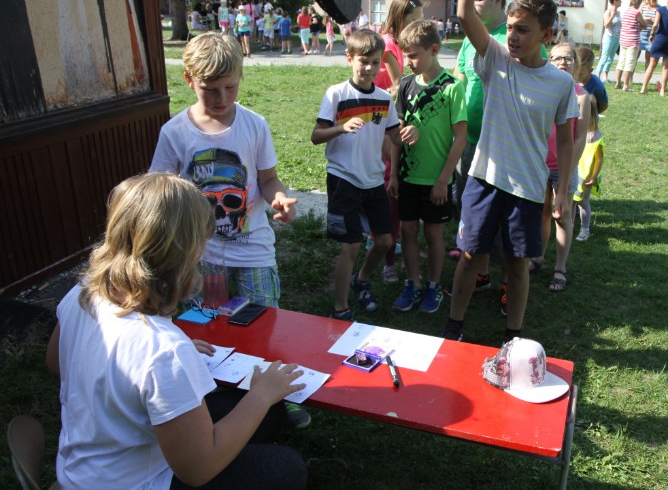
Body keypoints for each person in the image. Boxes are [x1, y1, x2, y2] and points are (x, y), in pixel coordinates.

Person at [46, 172, 308, 489]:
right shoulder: (164, 350)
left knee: (269, 412)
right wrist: (261, 395)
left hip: (85, 471)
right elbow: (197, 471)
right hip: (138, 482)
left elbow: (56, 362)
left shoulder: (83, 293)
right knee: (286, 467)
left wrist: (140, 371)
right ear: (184, 253)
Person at [443, 0, 578, 343]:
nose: (513, 37)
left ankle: (513, 336)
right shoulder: (496, 58)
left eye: (523, 30)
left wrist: (562, 191)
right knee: (471, 255)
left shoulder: (560, 83)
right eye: (512, 28)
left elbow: (565, 139)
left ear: (546, 35)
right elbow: (465, 13)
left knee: (517, 264)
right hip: (484, 179)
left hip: (528, 188)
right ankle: (454, 326)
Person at [150, 32, 299, 312]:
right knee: (203, 323)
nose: (221, 98)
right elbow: (159, 189)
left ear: (240, 75)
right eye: (210, 89)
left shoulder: (255, 125)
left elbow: (268, 178)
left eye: (230, 87)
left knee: (261, 321)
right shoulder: (175, 132)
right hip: (198, 253)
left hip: (253, 249)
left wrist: (279, 198)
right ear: (189, 80)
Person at [311, 29, 418, 321]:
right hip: (343, 178)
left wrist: (410, 132)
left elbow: (394, 138)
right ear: (349, 59)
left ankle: (361, 280)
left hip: (373, 180)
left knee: (385, 241)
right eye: (363, 61)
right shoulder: (337, 93)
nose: (369, 68)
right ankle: (340, 308)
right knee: (351, 245)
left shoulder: (384, 99)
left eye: (374, 62)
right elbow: (316, 136)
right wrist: (340, 128)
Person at [389, 19, 467, 314]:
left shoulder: (451, 87)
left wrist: (443, 180)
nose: (408, 62)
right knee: (408, 232)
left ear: (434, 50)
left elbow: (460, 138)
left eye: (413, 55)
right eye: (405, 55)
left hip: (436, 180)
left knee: (434, 235)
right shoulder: (406, 85)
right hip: (408, 177)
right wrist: (393, 174)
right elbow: (397, 133)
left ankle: (433, 286)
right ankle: (413, 282)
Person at [447, 0, 511, 309]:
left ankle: (508, 282)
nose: (471, 6)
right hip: (468, 139)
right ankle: (482, 273)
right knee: (471, 209)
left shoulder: (513, 36)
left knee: (504, 217)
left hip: (501, 145)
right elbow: (459, 77)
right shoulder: (469, 39)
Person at [372, 0, 424, 283]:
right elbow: (398, 85)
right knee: (389, 181)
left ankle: (392, 241)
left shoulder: (403, 43)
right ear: (400, 16)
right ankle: (388, 255)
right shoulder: (388, 45)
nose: (418, 23)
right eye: (414, 19)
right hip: (383, 119)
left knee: (395, 181)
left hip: (396, 115)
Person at [530, 42, 589, 293]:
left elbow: (580, 137)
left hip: (563, 167)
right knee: (543, 213)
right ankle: (538, 257)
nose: (562, 63)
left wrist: (568, 171)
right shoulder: (542, 90)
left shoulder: (581, 95)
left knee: (562, 216)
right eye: (557, 58)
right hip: (539, 165)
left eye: (567, 59)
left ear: (575, 64)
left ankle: (560, 268)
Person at [573, 95, 604, 242]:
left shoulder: (594, 136)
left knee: (583, 202)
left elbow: (599, 159)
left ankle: (585, 229)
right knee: (571, 201)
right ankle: (568, 226)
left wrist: (594, 176)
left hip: (586, 175)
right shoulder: (575, 130)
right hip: (574, 172)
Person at [615, 0, 647, 92]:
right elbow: (645, 25)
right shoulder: (636, 12)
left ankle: (618, 83)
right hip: (632, 41)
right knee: (629, 64)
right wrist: (643, 23)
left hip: (623, 40)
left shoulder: (626, 11)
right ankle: (626, 85)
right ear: (639, 2)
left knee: (621, 62)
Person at [575, 46, 609, 114]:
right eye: (574, 71)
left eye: (580, 73)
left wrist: (591, 114)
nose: (576, 76)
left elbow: (604, 106)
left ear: (590, 70)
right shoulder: (569, 80)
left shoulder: (597, 86)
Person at [597, 0, 622, 84]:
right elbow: (606, 25)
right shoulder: (608, 12)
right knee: (604, 57)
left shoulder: (619, 13)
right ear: (614, 1)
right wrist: (612, 16)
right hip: (609, 37)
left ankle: (605, 77)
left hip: (617, 38)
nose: (621, 2)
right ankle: (597, 76)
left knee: (610, 58)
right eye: (619, 0)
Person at [638, 0, 659, 68]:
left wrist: (649, 19)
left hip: (652, 34)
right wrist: (646, 19)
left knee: (648, 57)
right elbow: (638, 17)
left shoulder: (658, 8)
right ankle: (630, 75)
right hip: (641, 33)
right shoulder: (642, 6)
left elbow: (658, 21)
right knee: (636, 55)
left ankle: (646, 75)